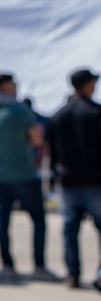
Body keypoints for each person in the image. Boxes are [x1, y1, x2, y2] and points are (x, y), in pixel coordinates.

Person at [0, 72, 54, 281]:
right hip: (23, 172)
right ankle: (39, 265)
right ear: (4, 86)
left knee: (3, 221)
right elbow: (37, 140)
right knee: (38, 220)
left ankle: (7, 264)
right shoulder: (20, 111)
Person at [47, 67, 101, 289]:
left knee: (70, 229)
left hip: (67, 181)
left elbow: (51, 150)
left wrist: (56, 174)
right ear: (87, 85)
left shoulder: (60, 114)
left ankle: (72, 274)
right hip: (94, 180)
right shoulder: (96, 112)